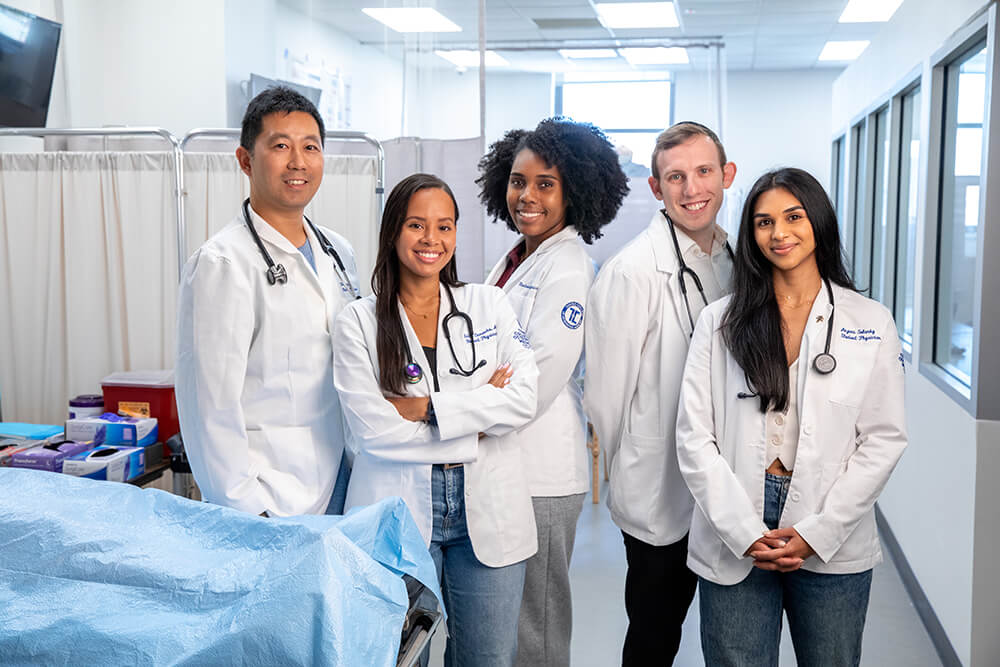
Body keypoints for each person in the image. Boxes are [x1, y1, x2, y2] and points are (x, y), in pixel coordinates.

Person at [676, 167, 907, 666]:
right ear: (750, 234)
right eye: (763, 222)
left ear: (817, 221)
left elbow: (883, 439)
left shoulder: (869, 321)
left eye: (793, 216)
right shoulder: (720, 321)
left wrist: (816, 534)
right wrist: (744, 531)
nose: (779, 233)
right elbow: (694, 437)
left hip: (831, 524)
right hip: (737, 518)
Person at [332, 173, 539, 666]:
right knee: (397, 660)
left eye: (444, 227)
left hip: (489, 508)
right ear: (393, 232)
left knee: (486, 660)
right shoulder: (357, 322)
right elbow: (374, 433)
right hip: (397, 514)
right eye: (417, 225)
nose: (432, 240)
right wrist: (481, 417)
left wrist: (428, 409)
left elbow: (525, 399)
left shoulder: (490, 303)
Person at [584, 121, 737, 664]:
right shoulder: (631, 273)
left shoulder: (737, 262)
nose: (691, 188)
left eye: (703, 172)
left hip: (724, 487)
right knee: (655, 633)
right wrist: (636, 461)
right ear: (656, 188)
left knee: (727, 630)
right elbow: (605, 397)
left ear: (727, 177)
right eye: (675, 177)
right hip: (659, 489)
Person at [477, 117, 628, 667]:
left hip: (540, 473)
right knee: (511, 622)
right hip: (507, 461)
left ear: (576, 191)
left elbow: (535, 380)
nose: (527, 196)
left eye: (546, 184)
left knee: (536, 627)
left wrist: (462, 409)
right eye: (518, 181)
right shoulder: (519, 256)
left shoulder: (567, 269)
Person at [176, 87, 359, 517]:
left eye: (310, 147)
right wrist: (246, 509)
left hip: (343, 478)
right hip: (270, 497)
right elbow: (209, 407)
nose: (298, 161)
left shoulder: (338, 251)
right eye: (280, 146)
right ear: (246, 160)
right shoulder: (222, 264)